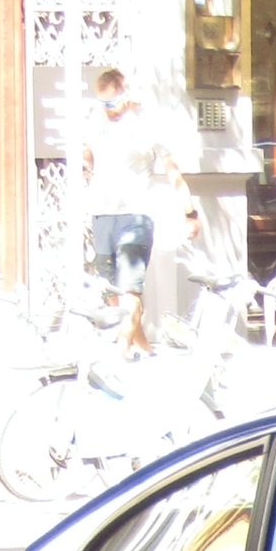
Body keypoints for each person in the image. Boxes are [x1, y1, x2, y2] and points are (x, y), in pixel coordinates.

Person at [82, 69, 178, 352]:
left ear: (125, 94)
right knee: (110, 288)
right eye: (103, 104)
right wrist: (85, 163)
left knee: (130, 289)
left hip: (135, 215)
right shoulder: (95, 119)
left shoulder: (146, 122)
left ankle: (121, 351)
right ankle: (144, 347)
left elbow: (171, 164)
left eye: (112, 103)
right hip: (102, 213)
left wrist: (188, 209)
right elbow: (88, 150)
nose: (108, 110)